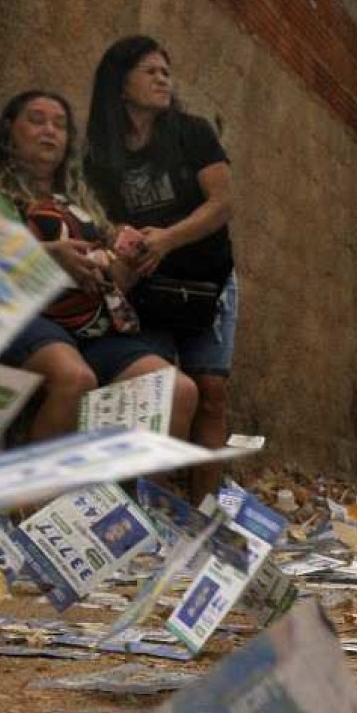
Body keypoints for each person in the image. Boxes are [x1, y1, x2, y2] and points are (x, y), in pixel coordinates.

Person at [0, 89, 197, 442]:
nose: (49, 131)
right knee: (74, 378)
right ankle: (32, 498)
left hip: (93, 328)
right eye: (36, 120)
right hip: (22, 317)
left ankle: (141, 498)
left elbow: (116, 280)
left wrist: (128, 262)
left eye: (59, 125)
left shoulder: (81, 203)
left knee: (178, 390)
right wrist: (47, 256)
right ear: (10, 129)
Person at [86, 36, 236, 500]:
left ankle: (205, 508)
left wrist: (167, 239)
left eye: (165, 70)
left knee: (210, 390)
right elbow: (102, 220)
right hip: (147, 288)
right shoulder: (101, 154)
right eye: (149, 70)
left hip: (207, 283)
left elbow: (223, 202)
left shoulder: (192, 132)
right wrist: (120, 244)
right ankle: (149, 505)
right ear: (120, 83)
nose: (162, 78)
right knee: (156, 393)